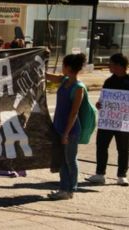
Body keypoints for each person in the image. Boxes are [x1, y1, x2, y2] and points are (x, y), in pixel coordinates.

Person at [46, 53, 87, 200]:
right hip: (59, 126)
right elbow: (49, 77)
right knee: (62, 160)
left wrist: (66, 133)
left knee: (70, 160)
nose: (61, 68)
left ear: (68, 67)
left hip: (70, 130)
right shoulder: (64, 80)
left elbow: (74, 112)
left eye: (63, 65)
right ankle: (63, 188)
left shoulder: (78, 87)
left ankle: (70, 189)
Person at [85, 53, 129, 186]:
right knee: (102, 146)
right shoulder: (109, 81)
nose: (109, 66)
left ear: (119, 66)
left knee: (123, 149)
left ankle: (122, 176)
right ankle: (100, 174)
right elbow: (103, 98)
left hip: (123, 122)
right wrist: (100, 104)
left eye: (111, 64)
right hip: (107, 121)